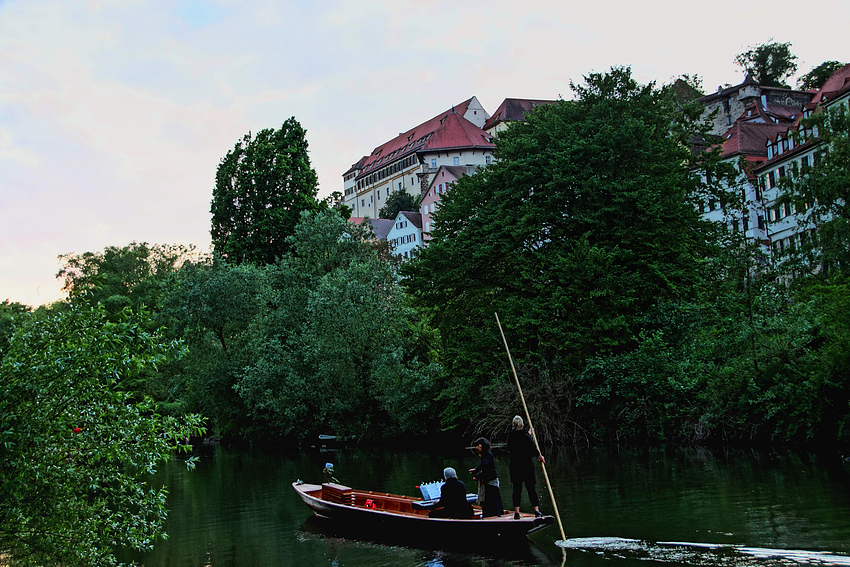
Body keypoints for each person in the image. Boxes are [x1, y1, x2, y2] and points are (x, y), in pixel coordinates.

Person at [507, 415, 545, 520]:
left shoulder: (511, 436)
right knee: (531, 489)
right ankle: (536, 511)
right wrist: (540, 456)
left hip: (515, 467)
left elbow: (513, 445)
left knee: (517, 489)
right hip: (526, 467)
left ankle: (517, 512)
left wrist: (528, 434)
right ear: (522, 424)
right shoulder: (525, 437)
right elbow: (532, 448)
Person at [468, 437, 503, 517]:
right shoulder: (485, 455)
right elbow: (485, 470)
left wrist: (475, 471)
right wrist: (478, 476)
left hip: (492, 480)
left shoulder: (488, 455)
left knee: (493, 499)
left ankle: (496, 515)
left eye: (478, 446)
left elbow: (484, 465)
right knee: (489, 500)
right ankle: (492, 514)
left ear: (482, 445)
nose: (477, 448)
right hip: (488, 479)